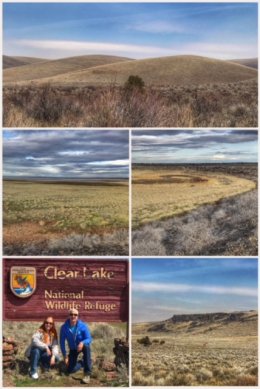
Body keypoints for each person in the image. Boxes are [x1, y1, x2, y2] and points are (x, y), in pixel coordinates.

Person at [60, 308, 92, 384]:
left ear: (77, 316)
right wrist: (65, 356)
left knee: (87, 347)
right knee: (70, 370)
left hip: (82, 346)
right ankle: (82, 363)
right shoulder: (64, 327)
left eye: (75, 315)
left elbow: (89, 338)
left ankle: (87, 374)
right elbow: (62, 342)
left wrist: (82, 343)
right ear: (69, 315)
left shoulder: (83, 326)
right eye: (71, 314)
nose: (73, 316)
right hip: (73, 349)